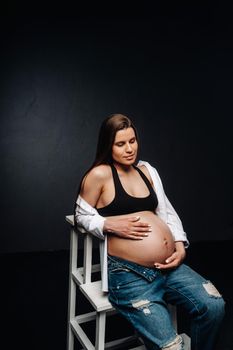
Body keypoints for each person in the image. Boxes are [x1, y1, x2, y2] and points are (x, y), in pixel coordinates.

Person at [74, 113, 225, 350]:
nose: (129, 149)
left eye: (132, 141)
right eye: (120, 143)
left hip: (167, 268)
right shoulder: (99, 175)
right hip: (128, 274)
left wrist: (178, 245)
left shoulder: (147, 171)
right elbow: (81, 216)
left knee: (215, 307)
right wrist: (108, 224)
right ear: (108, 145)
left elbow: (167, 211)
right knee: (171, 347)